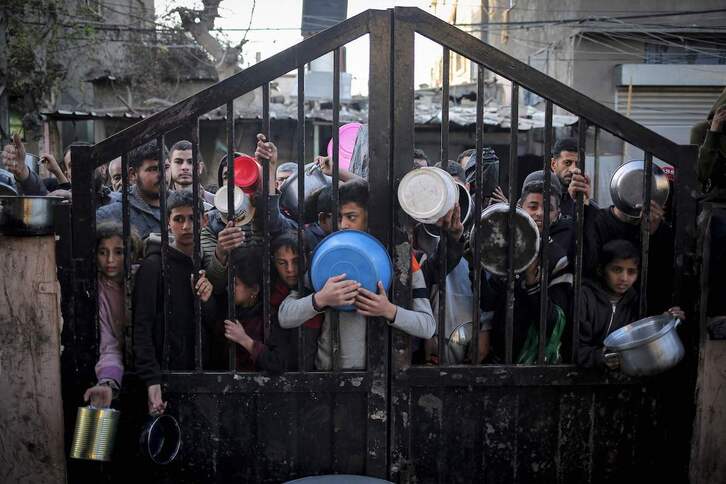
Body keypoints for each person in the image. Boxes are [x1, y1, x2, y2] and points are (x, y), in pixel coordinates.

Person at [278, 179, 436, 370]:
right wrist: (320, 299)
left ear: (370, 218)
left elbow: (427, 326)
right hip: (329, 377)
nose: (343, 224)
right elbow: (285, 316)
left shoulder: (402, 259)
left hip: (380, 378)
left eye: (351, 217)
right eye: (339, 218)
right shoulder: (325, 258)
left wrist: (389, 311)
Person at [133, 190, 214, 414]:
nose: (186, 226)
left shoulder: (206, 263)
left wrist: (206, 301)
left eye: (192, 218)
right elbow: (142, 326)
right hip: (166, 377)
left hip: (203, 378)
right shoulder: (153, 266)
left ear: (204, 221)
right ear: (168, 223)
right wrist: (152, 378)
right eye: (179, 219)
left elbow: (216, 325)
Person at [479, 180, 573, 364]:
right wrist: (475, 267)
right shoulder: (505, 248)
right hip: (497, 356)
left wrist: (533, 284)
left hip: (535, 362)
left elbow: (554, 324)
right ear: (520, 207)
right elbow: (488, 299)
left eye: (548, 209)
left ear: (557, 215)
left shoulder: (559, 259)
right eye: (533, 206)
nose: (539, 213)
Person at [201, 134, 295, 293]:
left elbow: (283, 230)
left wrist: (269, 171)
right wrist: (221, 252)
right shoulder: (211, 222)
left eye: (242, 174)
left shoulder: (266, 212)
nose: (234, 182)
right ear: (220, 186)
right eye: (227, 176)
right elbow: (212, 283)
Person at [576, 239, 685, 369]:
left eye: (631, 272)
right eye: (617, 270)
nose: (624, 278)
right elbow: (576, 349)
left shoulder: (636, 301)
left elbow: (640, 338)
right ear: (601, 270)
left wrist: (664, 321)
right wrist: (600, 357)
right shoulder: (585, 297)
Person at [82, 223, 139, 408]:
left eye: (119, 252)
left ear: (131, 253)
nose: (110, 260)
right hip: (117, 366)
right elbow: (108, 344)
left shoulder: (142, 278)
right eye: (103, 252)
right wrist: (108, 380)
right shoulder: (98, 291)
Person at [97, 139, 164, 239]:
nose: (162, 175)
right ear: (132, 174)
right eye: (153, 169)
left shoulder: (184, 205)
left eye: (165, 167)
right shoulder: (111, 215)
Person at [168, 140, 214, 204]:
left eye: (191, 162)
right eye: (178, 162)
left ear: (200, 167)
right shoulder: (160, 201)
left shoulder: (216, 203)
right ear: (169, 166)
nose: (184, 167)